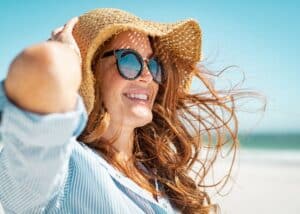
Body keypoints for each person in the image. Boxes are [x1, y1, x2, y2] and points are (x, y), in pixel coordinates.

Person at [0, 8, 241, 213]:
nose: (147, 76)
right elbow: (41, 66)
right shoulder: (59, 169)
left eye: (153, 64)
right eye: (129, 60)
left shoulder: (158, 176)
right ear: (90, 72)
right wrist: (66, 56)